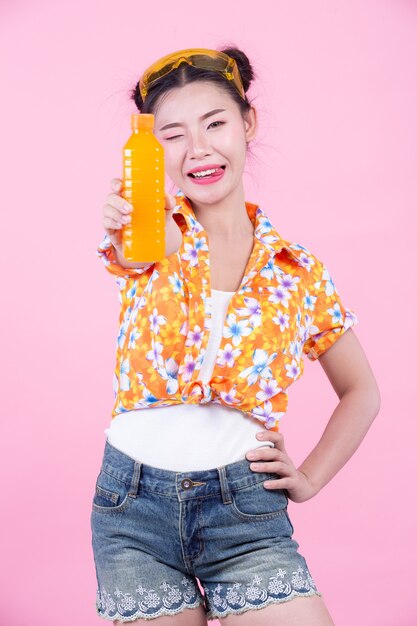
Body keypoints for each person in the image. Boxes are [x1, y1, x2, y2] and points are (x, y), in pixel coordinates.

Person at [91, 47, 380, 625]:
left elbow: (362, 392)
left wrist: (309, 477)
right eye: (173, 134)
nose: (198, 148)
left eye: (215, 123)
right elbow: (133, 252)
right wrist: (122, 221)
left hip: (244, 514)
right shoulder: (154, 238)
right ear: (154, 148)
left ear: (247, 124)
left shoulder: (298, 271)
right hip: (133, 511)